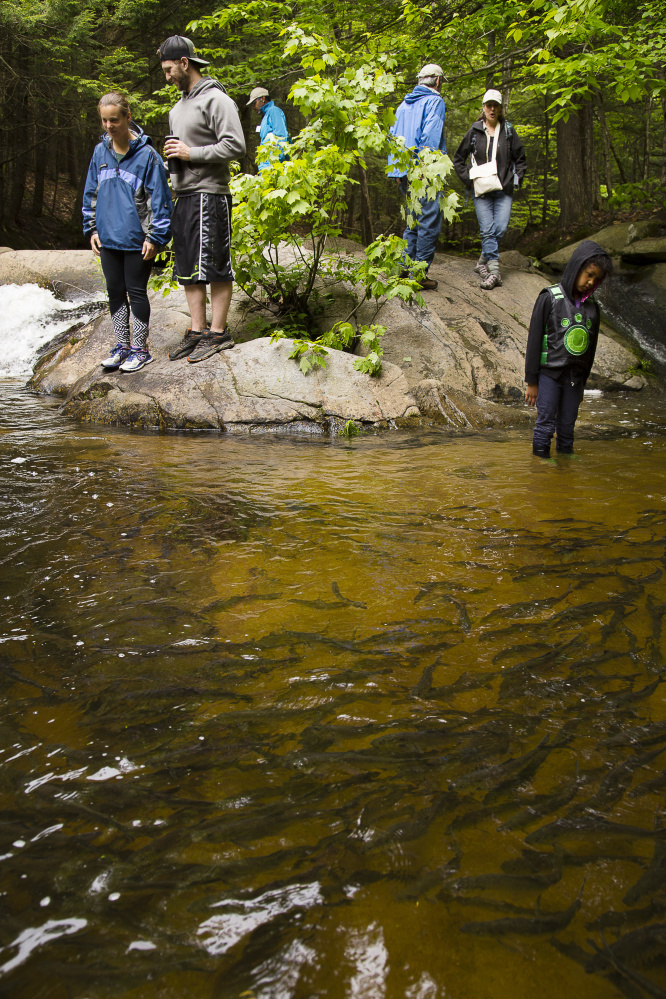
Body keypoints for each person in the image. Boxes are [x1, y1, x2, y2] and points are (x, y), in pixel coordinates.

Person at [158, 35, 246, 363]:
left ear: (185, 63)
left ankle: (219, 332)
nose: (166, 76)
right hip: (184, 195)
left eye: (169, 69)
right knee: (187, 266)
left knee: (215, 263)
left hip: (211, 194)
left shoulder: (216, 100)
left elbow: (236, 145)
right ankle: (197, 331)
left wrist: (190, 153)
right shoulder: (177, 107)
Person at [82, 92, 172, 373]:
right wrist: (91, 229)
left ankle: (140, 350)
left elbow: (160, 200)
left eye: (114, 120)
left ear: (127, 117)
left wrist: (156, 238)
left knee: (136, 291)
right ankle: (122, 346)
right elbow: (90, 193)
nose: (109, 126)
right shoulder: (101, 152)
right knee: (114, 291)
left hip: (138, 240)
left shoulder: (147, 156)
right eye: (104, 120)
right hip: (108, 238)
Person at [525, 240, 613, 458]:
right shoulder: (549, 298)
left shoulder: (592, 308)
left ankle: (566, 463)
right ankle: (541, 462)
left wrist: (583, 382)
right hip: (549, 375)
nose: (590, 282)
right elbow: (534, 340)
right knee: (545, 423)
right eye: (588, 274)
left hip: (574, 378)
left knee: (567, 426)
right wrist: (531, 381)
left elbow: (590, 350)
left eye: (596, 279)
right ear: (576, 267)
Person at [453, 89, 526, 290]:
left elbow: (520, 159)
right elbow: (458, 158)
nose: (492, 109)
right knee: (487, 231)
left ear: (501, 108)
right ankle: (494, 272)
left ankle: (481, 262)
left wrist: (516, 179)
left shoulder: (509, 131)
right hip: (481, 190)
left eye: (496, 106)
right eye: (488, 105)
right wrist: (468, 178)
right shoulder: (474, 131)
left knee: (499, 229)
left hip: (504, 189)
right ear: (483, 108)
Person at [388, 64, 447, 291]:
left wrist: (396, 171)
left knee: (413, 219)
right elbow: (431, 135)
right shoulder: (435, 102)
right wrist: (425, 168)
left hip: (402, 172)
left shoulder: (404, 104)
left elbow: (394, 137)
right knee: (429, 220)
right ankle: (419, 273)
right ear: (438, 82)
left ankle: (404, 268)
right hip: (424, 171)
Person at [247, 87, 290, 171]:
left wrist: (276, 163)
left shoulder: (274, 111)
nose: (253, 107)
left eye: (254, 103)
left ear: (262, 99)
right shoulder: (265, 116)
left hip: (273, 167)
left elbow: (281, 137)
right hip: (266, 166)